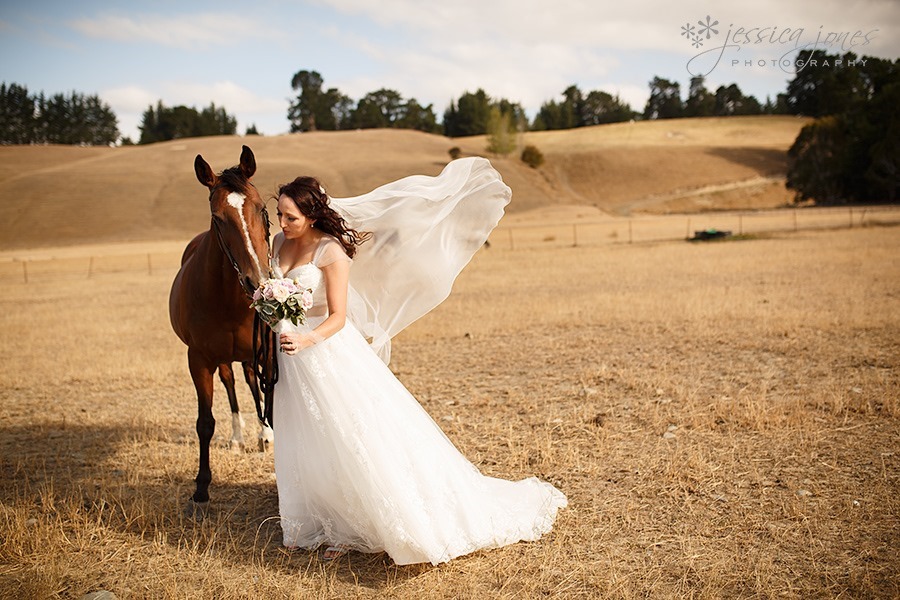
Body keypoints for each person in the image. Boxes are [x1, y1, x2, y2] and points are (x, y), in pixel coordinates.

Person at [270, 157, 567, 565]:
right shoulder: (276, 243)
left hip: (325, 351)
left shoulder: (330, 250)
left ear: (311, 215)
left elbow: (338, 317)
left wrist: (307, 338)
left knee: (346, 435)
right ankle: (310, 520)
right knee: (304, 433)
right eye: (279, 214)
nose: (282, 223)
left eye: (289, 216)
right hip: (290, 355)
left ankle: (348, 526)